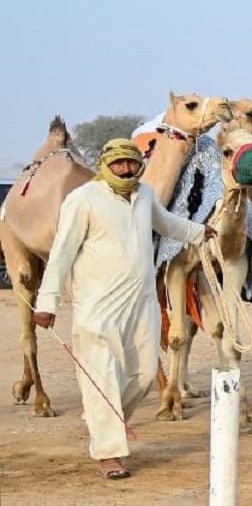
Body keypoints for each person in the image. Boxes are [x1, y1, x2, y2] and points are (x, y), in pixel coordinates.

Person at [33, 139, 213, 479]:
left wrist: (200, 232)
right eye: (118, 164)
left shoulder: (144, 195)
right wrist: (47, 303)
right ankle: (109, 453)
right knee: (102, 376)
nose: (126, 170)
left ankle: (104, 417)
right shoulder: (83, 199)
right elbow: (61, 254)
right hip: (97, 308)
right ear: (105, 165)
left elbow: (167, 223)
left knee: (145, 375)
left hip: (141, 302)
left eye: (131, 164)